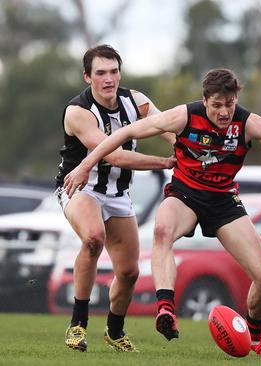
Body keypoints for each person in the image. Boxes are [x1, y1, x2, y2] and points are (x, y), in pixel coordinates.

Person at [63, 68, 261, 357]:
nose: (224, 112)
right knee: (162, 230)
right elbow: (128, 132)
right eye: (217, 105)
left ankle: (255, 337)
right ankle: (166, 308)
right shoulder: (184, 115)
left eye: (229, 104)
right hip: (185, 195)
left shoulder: (248, 123)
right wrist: (85, 165)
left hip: (223, 202)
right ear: (205, 100)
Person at [55, 44, 176, 352]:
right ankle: (77, 326)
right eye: (100, 73)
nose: (109, 79)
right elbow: (116, 155)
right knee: (94, 238)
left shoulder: (136, 101)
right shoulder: (78, 112)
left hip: (118, 194)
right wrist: (164, 162)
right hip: (80, 189)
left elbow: (168, 127)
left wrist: (190, 148)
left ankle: (114, 331)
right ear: (87, 77)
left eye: (114, 71)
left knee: (129, 272)